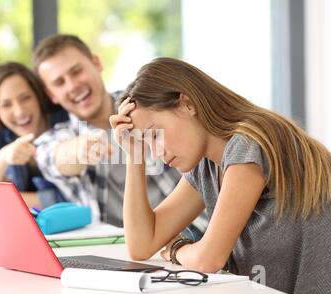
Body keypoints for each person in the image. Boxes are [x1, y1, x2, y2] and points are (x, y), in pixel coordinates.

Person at [109, 57, 331, 294]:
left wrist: (176, 248)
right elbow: (141, 245)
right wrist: (134, 155)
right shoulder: (206, 165)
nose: (156, 152)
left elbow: (208, 260)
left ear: (187, 104)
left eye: (155, 135)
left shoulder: (247, 144)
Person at [32, 34, 208, 236]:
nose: (72, 85)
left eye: (76, 71)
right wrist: (78, 150)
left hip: (196, 233)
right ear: (52, 95)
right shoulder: (56, 138)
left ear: (96, 63)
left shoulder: (146, 107)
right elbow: (52, 157)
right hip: (119, 250)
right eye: (59, 82)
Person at [0, 62, 69, 209]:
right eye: (6, 104)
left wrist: (4, 197)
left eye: (26, 97)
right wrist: (5, 155)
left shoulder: (64, 117)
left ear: (39, 96)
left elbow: (73, 198)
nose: (19, 111)